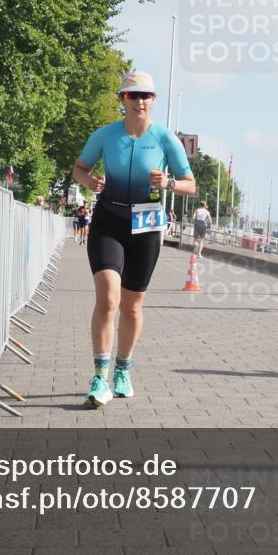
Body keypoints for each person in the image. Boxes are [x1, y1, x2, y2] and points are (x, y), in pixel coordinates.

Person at [72, 70, 196, 408]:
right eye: (131, 95)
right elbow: (79, 168)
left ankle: (123, 369)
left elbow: (190, 184)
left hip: (146, 224)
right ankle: (100, 376)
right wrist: (89, 182)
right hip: (109, 220)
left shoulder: (166, 139)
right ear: (121, 99)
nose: (139, 101)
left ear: (153, 100)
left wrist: (168, 184)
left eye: (145, 95)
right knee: (109, 298)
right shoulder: (105, 135)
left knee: (132, 305)